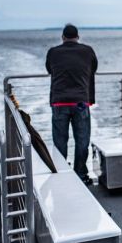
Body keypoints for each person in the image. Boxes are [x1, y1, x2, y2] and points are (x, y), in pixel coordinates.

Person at [45, 23, 98, 185]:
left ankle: (61, 173)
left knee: (60, 141)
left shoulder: (53, 52)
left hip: (59, 102)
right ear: (78, 37)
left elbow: (49, 70)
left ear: (62, 38)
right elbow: (93, 68)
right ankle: (80, 174)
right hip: (81, 102)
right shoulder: (87, 51)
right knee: (82, 140)